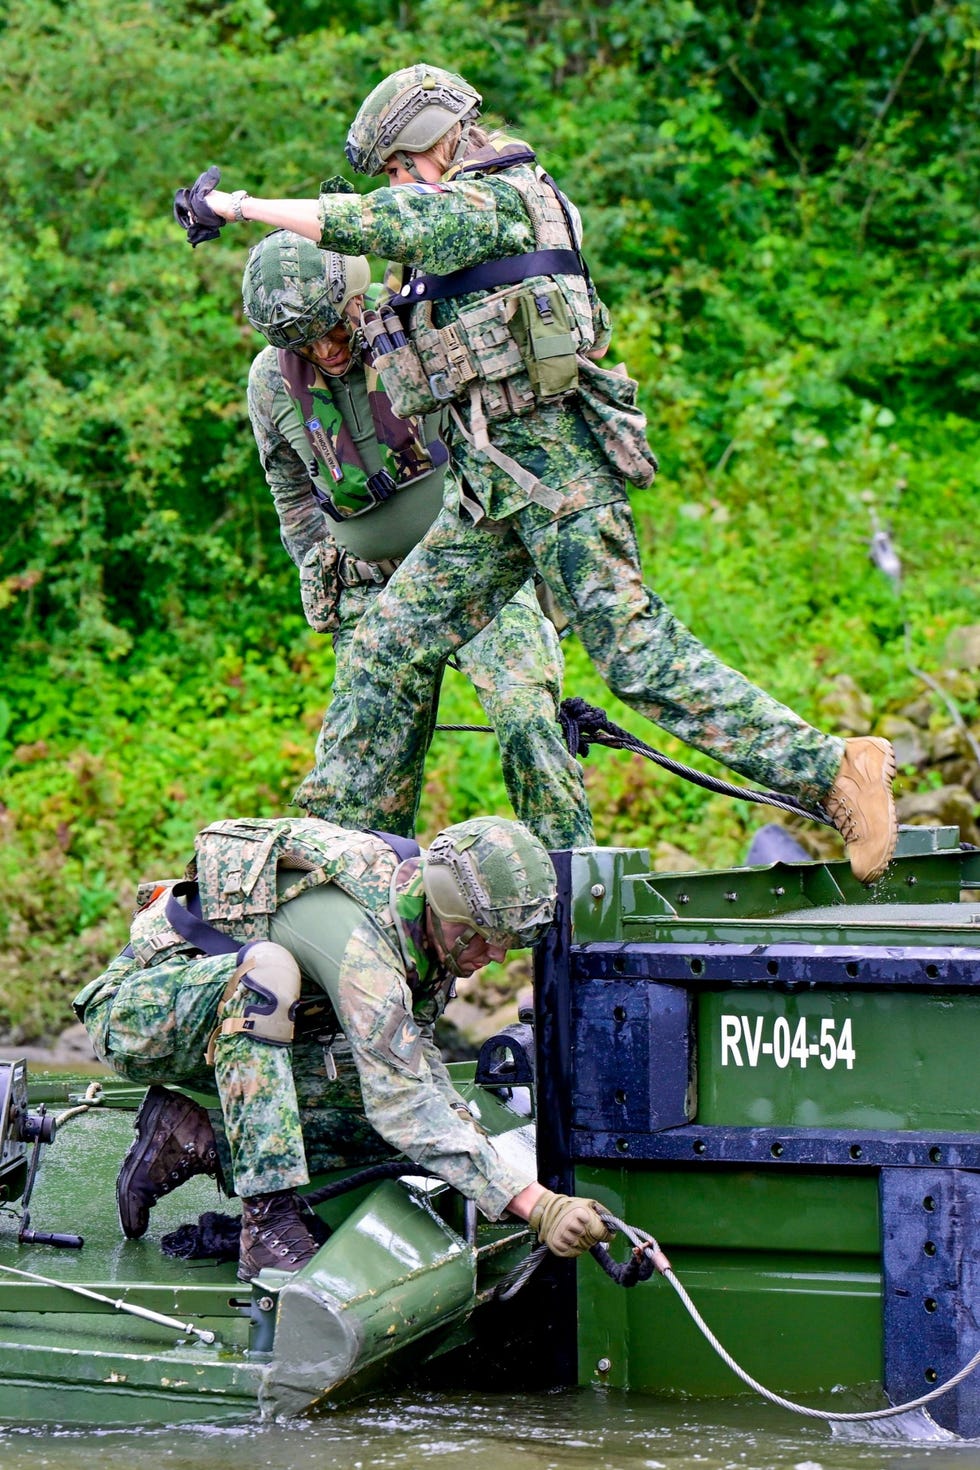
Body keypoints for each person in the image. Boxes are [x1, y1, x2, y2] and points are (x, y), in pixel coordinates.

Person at [176, 63, 898, 884]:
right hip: (493, 489)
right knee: (383, 646)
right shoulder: (466, 207)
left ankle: (836, 770)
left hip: (557, 471)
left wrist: (235, 207)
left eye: (396, 167)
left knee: (633, 653)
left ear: (431, 145)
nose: (395, 184)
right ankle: (339, 872)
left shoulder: (499, 199)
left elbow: (374, 223)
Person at [72, 815, 611, 1279]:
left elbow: (413, 1065)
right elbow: (401, 1102)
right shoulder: (365, 944)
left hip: (232, 1026)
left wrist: (493, 1173)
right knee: (268, 977)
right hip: (141, 1013)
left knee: (411, 1132)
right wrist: (538, 1205)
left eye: (510, 943)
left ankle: (196, 1136)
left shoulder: (426, 926)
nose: (495, 955)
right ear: (449, 912)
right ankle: (268, 1225)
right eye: (487, 937)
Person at [241, 227, 593, 847]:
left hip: (472, 565)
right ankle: (366, 917)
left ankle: (572, 895)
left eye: (333, 328)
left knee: (526, 713)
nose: (324, 348)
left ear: (354, 300)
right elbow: (289, 486)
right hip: (370, 591)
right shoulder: (272, 382)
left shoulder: (416, 318)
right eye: (304, 340)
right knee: (358, 774)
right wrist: (316, 570)